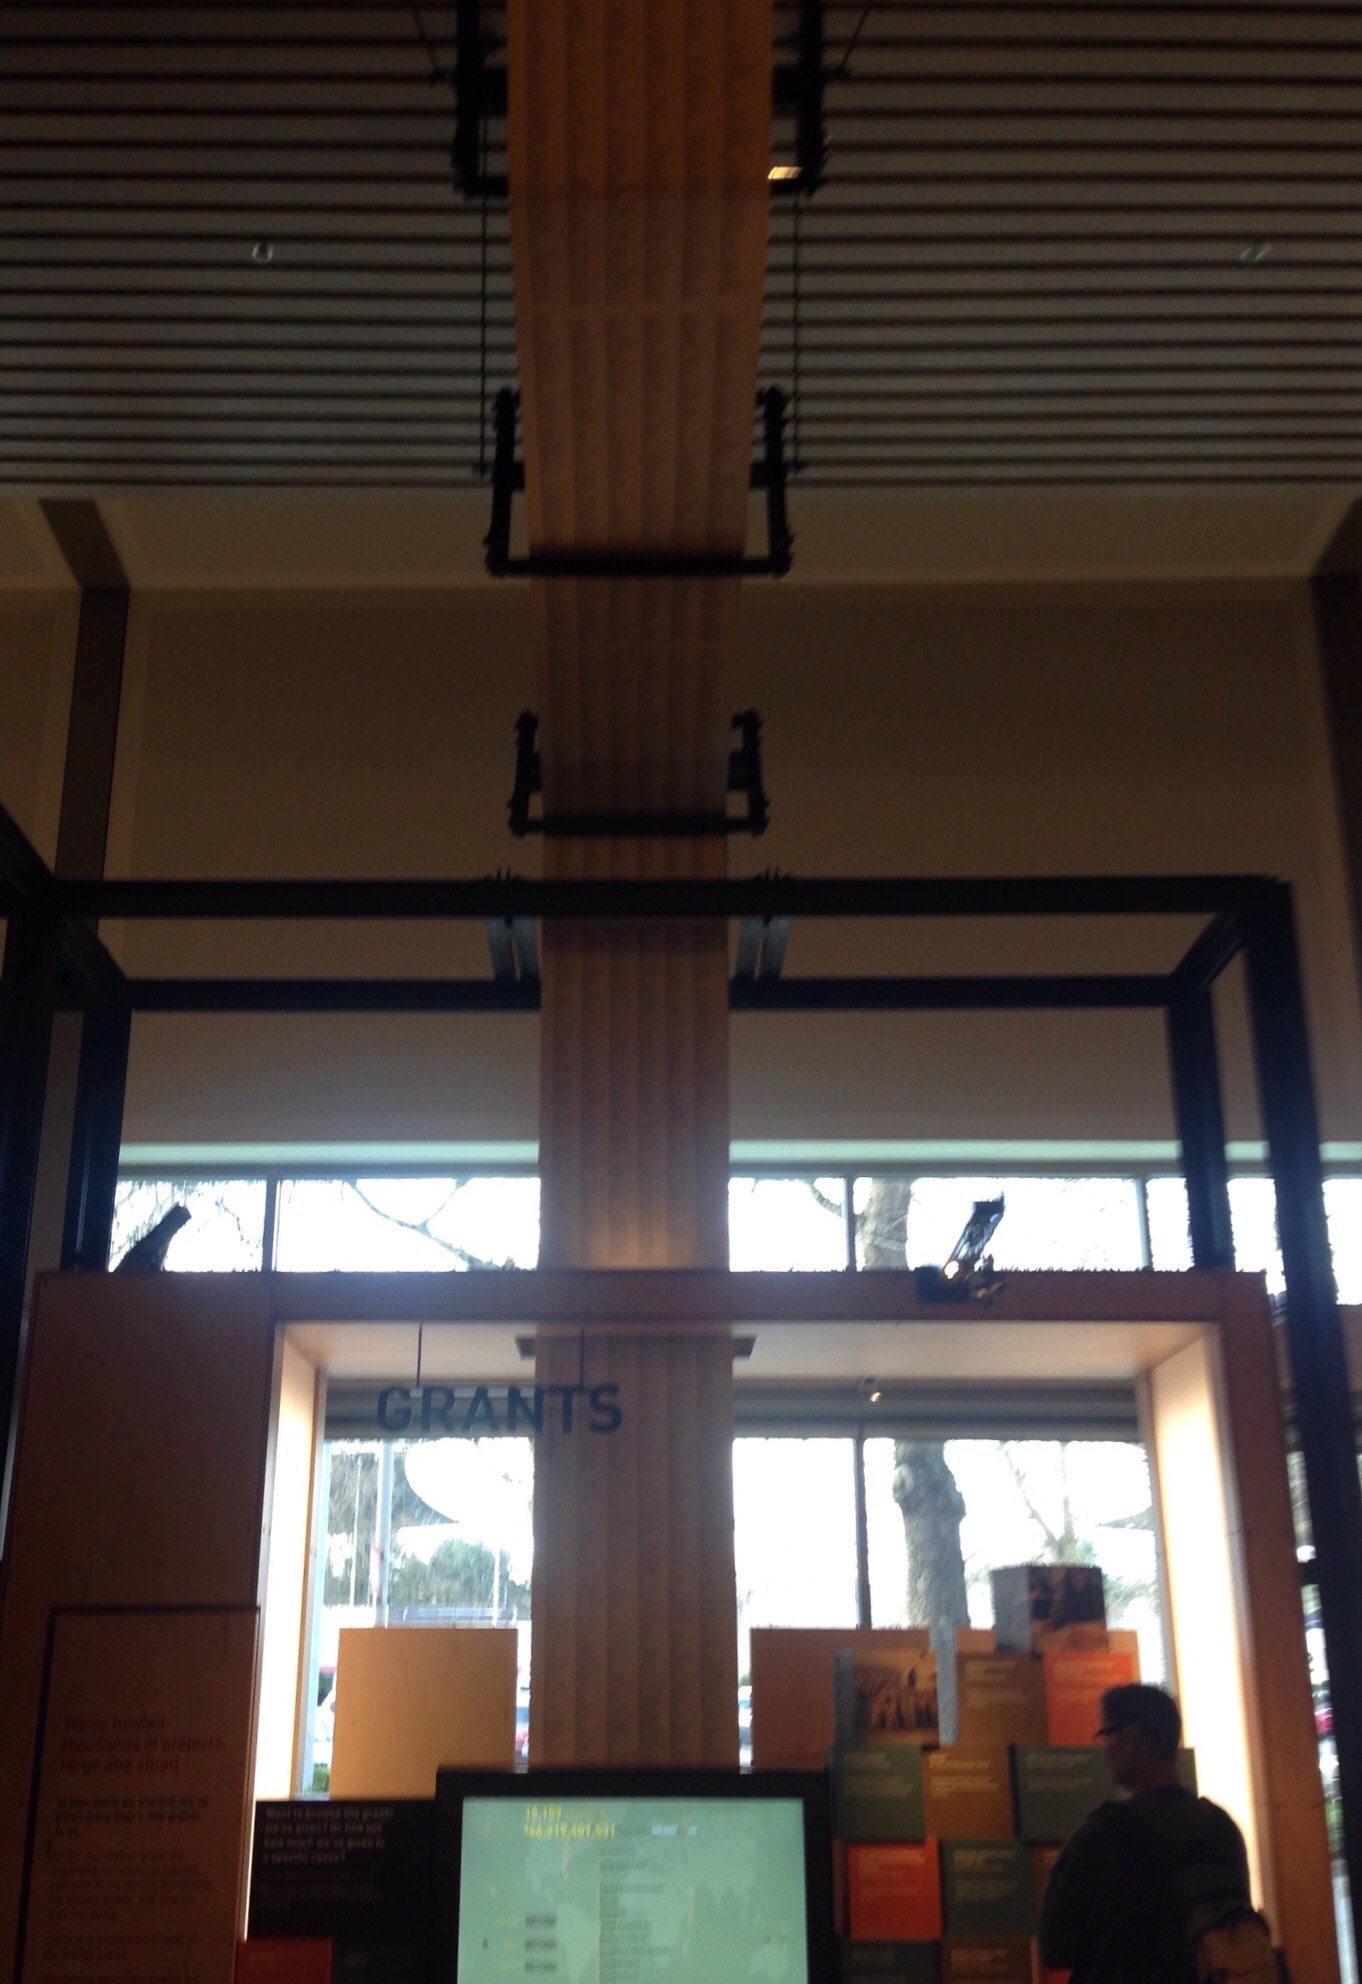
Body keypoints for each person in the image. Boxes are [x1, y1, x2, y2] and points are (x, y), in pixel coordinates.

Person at [1038, 1682, 1253, 1984]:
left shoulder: (1101, 1837)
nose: (1103, 1748)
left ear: (1130, 1739)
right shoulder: (1222, 1828)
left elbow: (1055, 1946)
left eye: (1106, 1734)